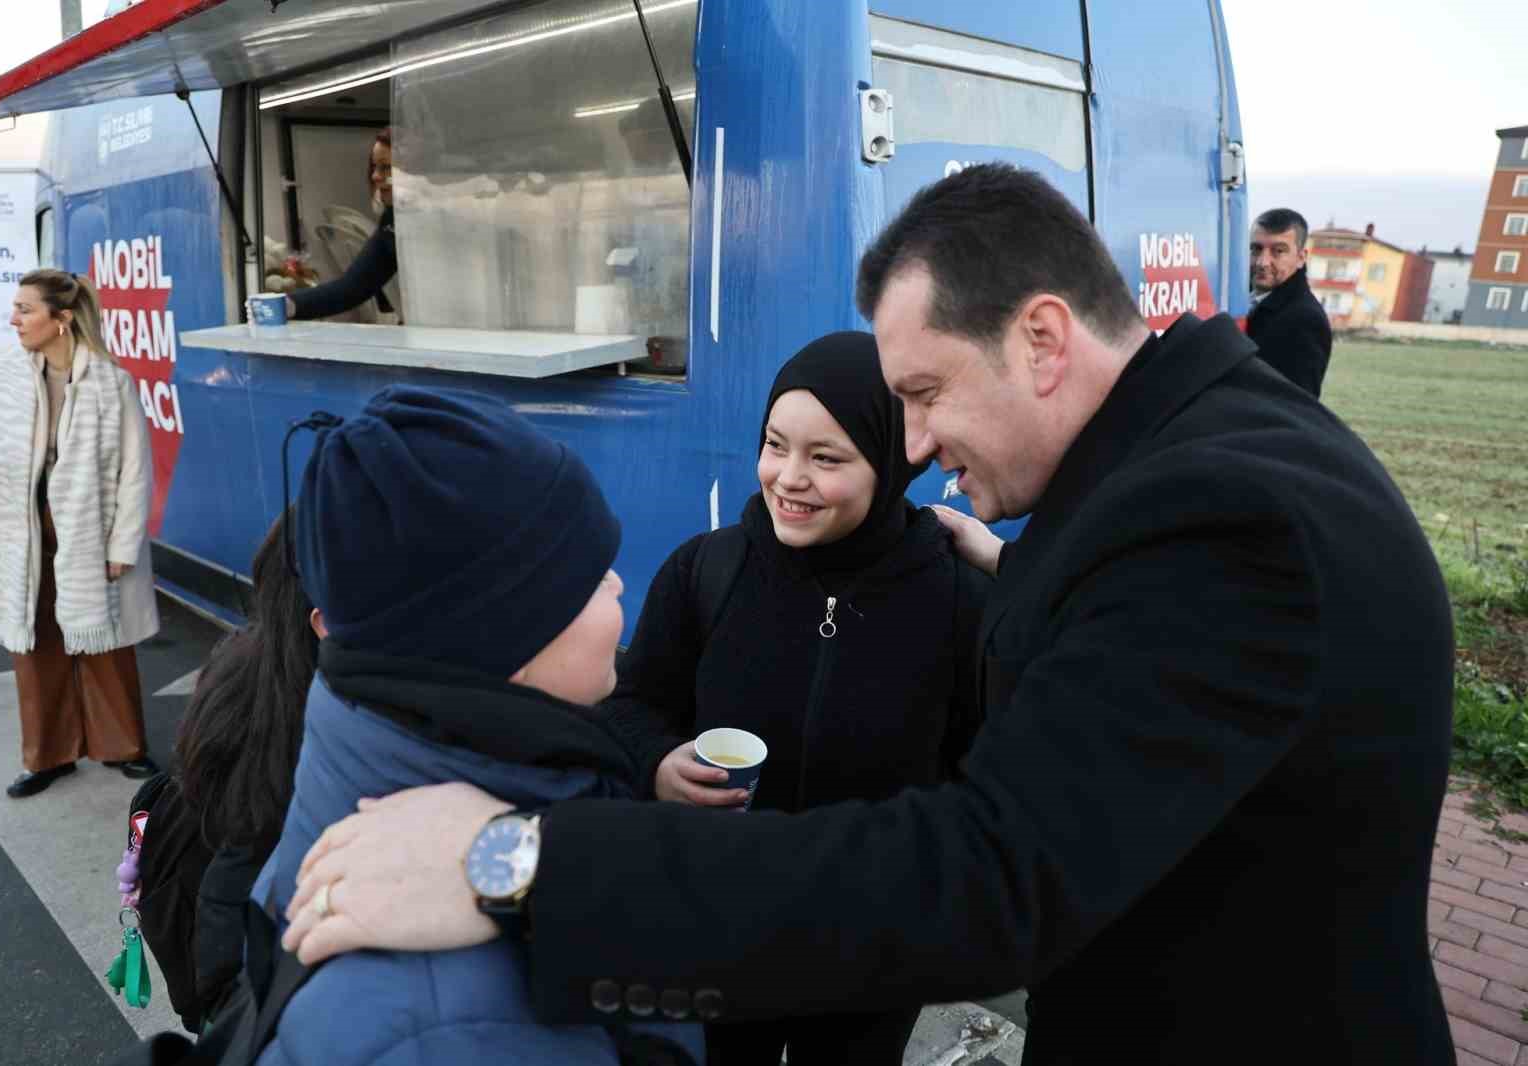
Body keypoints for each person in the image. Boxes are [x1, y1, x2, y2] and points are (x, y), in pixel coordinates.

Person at [277, 165, 1457, 1064]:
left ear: (1042, 338)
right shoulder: (1205, 460)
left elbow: (988, 873)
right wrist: (1026, 568)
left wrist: (524, 863)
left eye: (924, 395)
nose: (919, 446)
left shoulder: (1210, 517)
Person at [248, 386, 704, 1065]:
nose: (615, 586)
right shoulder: (451, 1029)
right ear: (501, 644)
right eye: (587, 577)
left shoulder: (360, 742)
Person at [602, 330, 991, 1065]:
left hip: (872, 947)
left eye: (826, 458)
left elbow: (981, 775)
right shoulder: (706, 572)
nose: (787, 477)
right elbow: (627, 706)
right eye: (776, 445)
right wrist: (657, 762)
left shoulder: (954, 599)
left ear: (887, 462)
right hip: (719, 927)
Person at [0, 270, 160, 798]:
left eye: (25, 310)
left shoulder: (110, 380)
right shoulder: (8, 374)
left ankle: (124, 747)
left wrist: (122, 546)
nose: (14, 319)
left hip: (89, 529)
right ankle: (48, 755)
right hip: (24, 527)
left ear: (62, 320)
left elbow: (135, 470)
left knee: (103, 640)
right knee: (33, 643)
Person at [125, 512, 321, 1032]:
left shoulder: (242, 662)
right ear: (324, 618)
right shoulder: (325, 716)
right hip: (250, 979)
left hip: (208, 956)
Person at [285, 127, 399, 323]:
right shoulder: (392, 222)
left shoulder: (450, 215)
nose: (375, 176)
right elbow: (352, 288)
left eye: (385, 167)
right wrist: (286, 305)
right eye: (374, 167)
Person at [1247, 207, 1333, 396]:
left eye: (1278, 251)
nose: (1262, 262)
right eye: (1256, 249)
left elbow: (1297, 407)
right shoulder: (1238, 295)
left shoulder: (1305, 320)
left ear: (1301, 258)